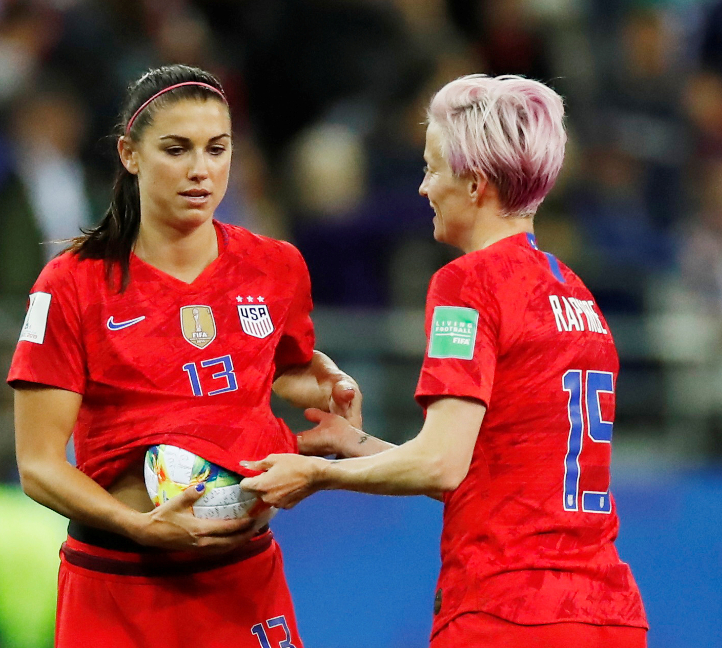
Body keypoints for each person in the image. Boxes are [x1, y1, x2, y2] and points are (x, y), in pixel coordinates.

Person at [241, 75, 649, 647]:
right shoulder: (575, 292)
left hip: (509, 612)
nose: (423, 188)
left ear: (475, 183)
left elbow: (440, 465)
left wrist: (317, 474)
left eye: (433, 168)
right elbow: (488, 469)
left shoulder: (469, 284)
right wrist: (354, 446)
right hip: (607, 614)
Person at [7, 64, 361, 648]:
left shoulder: (276, 266)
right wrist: (138, 525)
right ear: (130, 154)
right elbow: (38, 464)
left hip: (244, 579)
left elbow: (281, 367)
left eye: (216, 149)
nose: (201, 170)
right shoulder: (73, 283)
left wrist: (325, 381)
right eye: (177, 149)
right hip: (117, 587)